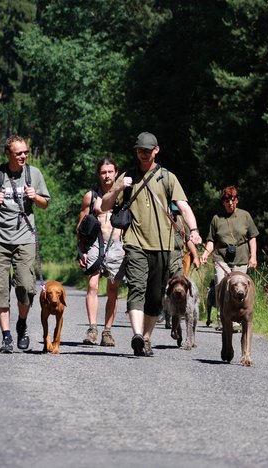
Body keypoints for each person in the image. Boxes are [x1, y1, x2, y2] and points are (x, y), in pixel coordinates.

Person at [101, 132, 202, 356]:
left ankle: (146, 338)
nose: (143, 154)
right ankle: (137, 334)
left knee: (156, 297)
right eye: (140, 151)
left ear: (156, 150)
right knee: (137, 288)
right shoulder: (127, 176)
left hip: (164, 248)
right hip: (135, 243)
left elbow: (183, 206)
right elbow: (104, 206)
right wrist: (118, 188)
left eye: (147, 150)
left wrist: (193, 230)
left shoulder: (167, 177)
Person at [0, 135, 50, 353]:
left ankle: (22, 324)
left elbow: (45, 204)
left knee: (26, 285)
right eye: (19, 153)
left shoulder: (33, 174)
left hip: (25, 237)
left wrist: (35, 197)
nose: (24, 156)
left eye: (26, 152)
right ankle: (6, 336)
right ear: (8, 154)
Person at [76, 158, 123, 346]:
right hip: (96, 244)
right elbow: (81, 226)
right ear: (99, 174)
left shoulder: (123, 195)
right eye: (103, 172)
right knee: (93, 285)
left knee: (113, 289)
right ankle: (92, 329)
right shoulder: (91, 196)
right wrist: (81, 251)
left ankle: (107, 332)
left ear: (116, 173)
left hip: (118, 244)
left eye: (110, 171)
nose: (107, 175)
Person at [199, 185, 259, 330]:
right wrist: (205, 254)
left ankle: (237, 319)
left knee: (239, 288)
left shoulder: (245, 216)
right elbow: (211, 240)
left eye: (232, 200)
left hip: (241, 259)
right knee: (221, 286)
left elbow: (252, 238)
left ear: (236, 200)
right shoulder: (216, 219)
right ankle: (223, 319)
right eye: (227, 200)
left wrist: (253, 257)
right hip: (221, 259)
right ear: (223, 202)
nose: (230, 203)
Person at [161, 203, 200, 328]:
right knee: (163, 290)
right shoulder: (161, 220)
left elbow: (188, 240)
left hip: (177, 261)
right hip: (162, 260)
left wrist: (196, 257)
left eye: (176, 212)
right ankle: (165, 313)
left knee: (177, 289)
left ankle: (175, 321)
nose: (174, 215)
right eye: (173, 212)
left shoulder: (182, 222)